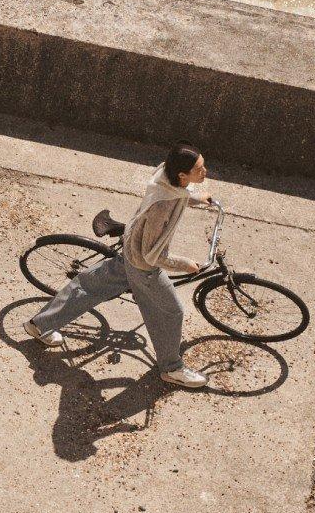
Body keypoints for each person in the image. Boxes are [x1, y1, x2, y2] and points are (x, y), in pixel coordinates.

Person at [28, 144, 214, 388]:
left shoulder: (164, 177)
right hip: (143, 266)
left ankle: (39, 324)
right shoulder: (162, 206)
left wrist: (196, 197)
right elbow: (152, 256)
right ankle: (172, 368)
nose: (205, 172)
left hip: (130, 249)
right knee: (172, 312)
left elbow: (177, 193)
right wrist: (184, 264)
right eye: (199, 169)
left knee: (88, 286)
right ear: (182, 175)